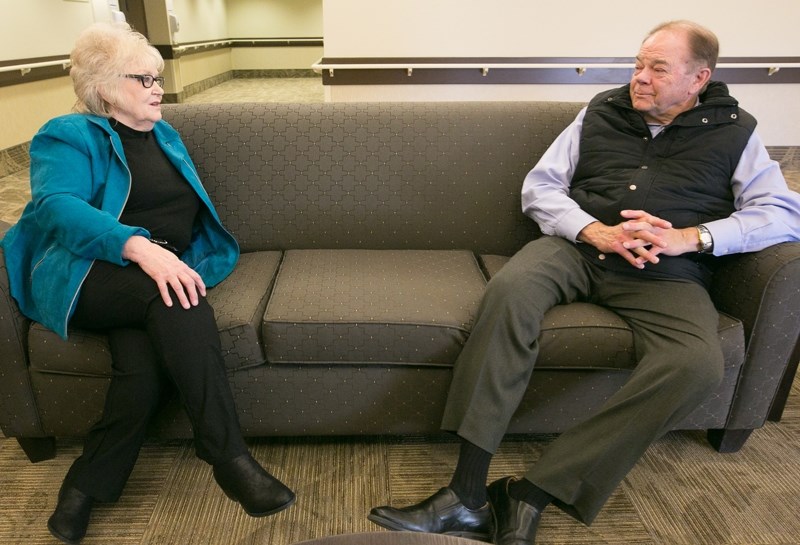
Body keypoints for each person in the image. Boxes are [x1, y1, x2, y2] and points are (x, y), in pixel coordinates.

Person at [368, 19, 800, 545]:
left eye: (658, 69)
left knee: (697, 364)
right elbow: (541, 187)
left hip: (666, 274)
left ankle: (533, 493)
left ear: (698, 78)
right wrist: (593, 230)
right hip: (575, 250)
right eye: (638, 64)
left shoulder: (737, 131)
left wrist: (693, 237)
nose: (640, 78)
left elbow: (781, 214)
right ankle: (465, 493)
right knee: (509, 292)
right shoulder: (602, 110)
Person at [1, 22, 295, 544]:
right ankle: (227, 455)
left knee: (140, 367)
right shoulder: (66, 134)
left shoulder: (163, 133)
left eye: (157, 77)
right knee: (180, 301)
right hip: (90, 271)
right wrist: (139, 248)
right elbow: (54, 207)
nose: (160, 87)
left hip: (151, 273)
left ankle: (85, 487)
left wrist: (170, 257)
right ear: (109, 87)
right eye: (145, 78)